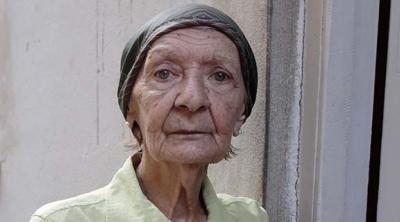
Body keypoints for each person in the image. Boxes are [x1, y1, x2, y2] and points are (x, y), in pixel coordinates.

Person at [30, 3, 267, 222]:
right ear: (130, 109)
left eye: (219, 76)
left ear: (241, 113)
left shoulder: (250, 217)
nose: (193, 99)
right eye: (164, 73)